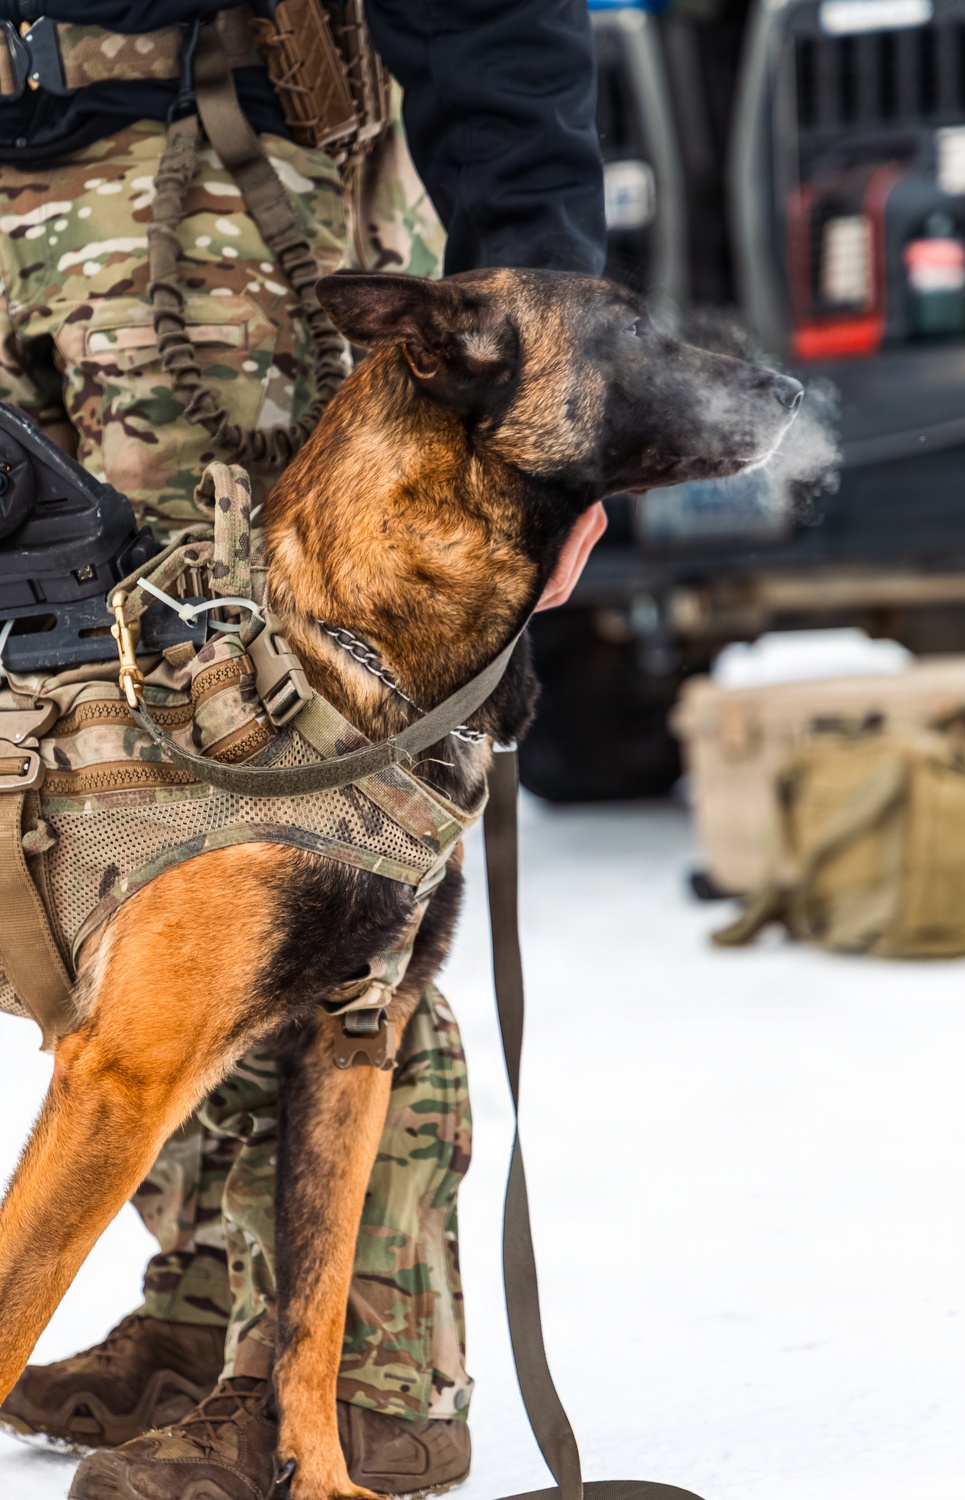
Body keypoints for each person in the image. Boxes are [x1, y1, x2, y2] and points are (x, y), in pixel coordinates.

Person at [0, 4, 606, 1497]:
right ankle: (213, 1307)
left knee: (293, 841)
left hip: (226, 192)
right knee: (106, 827)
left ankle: (364, 1384)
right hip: (21, 210)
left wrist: (548, 377)